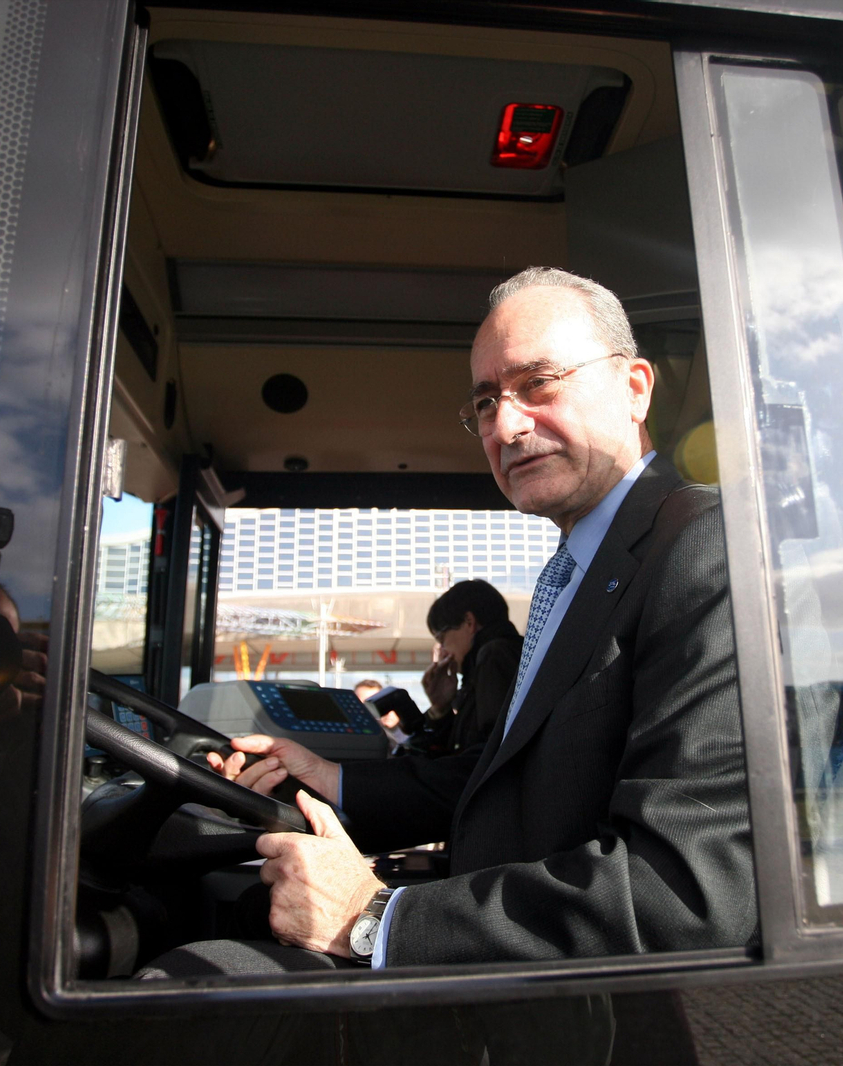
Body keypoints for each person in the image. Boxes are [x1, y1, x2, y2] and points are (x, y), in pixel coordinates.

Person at [198, 265, 754, 972]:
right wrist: (325, 776)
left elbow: (690, 893)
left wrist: (372, 919)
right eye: (486, 401)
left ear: (635, 388)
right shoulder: (583, 570)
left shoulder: (703, 547)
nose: (507, 425)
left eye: (539, 383)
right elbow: (517, 781)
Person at [412, 579, 521, 756]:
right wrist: (441, 708)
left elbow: (486, 753)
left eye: (442, 640)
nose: (443, 652)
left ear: (469, 622)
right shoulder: (503, 655)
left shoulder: (494, 655)